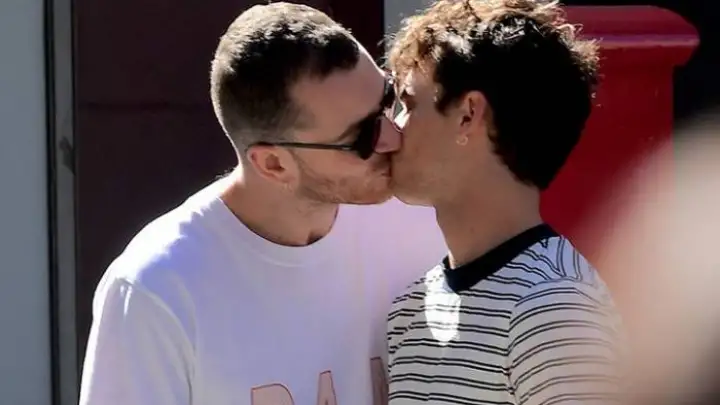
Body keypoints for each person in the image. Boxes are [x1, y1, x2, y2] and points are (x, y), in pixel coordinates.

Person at [78, 3, 446, 405]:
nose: (392, 137)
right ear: (273, 164)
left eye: (388, 101)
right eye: (361, 137)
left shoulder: (426, 217)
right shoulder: (159, 289)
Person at [385, 1, 625, 404]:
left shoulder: (554, 308)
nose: (392, 130)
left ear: (468, 114)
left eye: (408, 104)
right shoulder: (410, 310)